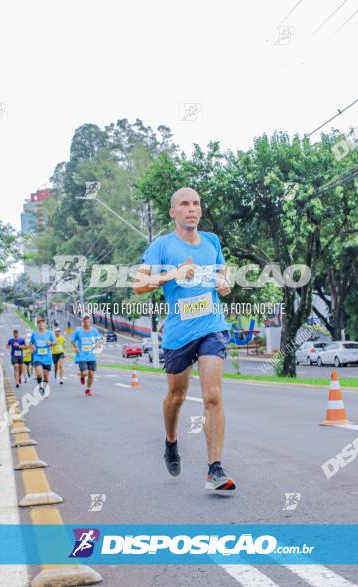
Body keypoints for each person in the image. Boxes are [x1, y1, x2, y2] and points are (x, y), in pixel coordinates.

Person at [133, 186, 236, 492]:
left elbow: (222, 273)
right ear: (173, 212)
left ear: (200, 210)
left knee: (212, 395)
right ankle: (170, 442)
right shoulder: (161, 247)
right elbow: (139, 285)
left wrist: (224, 283)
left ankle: (214, 469)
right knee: (176, 398)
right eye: (184, 204)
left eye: (196, 204)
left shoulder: (212, 242)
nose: (191, 208)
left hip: (212, 327)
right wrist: (172, 276)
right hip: (179, 333)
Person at [72, 314, 100, 397]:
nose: (86, 321)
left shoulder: (95, 331)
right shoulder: (78, 331)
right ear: (82, 320)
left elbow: (98, 341)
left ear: (90, 320)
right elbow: (73, 341)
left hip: (91, 356)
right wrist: (76, 347)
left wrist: (97, 345)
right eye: (85, 319)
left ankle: (88, 389)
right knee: (85, 373)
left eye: (88, 319)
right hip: (82, 356)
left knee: (91, 374)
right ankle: (82, 376)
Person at [29, 317, 56, 396]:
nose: (40, 324)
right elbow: (30, 344)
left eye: (42, 322)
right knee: (39, 373)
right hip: (37, 357)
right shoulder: (34, 334)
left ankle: (44, 388)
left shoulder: (49, 333)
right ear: (38, 324)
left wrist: (50, 343)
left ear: (45, 324)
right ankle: (40, 386)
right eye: (39, 323)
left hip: (47, 358)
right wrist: (32, 346)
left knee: (46, 377)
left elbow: (55, 342)